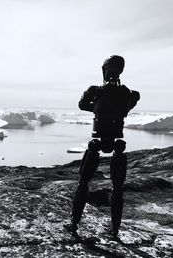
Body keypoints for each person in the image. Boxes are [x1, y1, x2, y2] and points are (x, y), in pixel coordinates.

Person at [66, 55, 140, 238]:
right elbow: (125, 109)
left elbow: (82, 104)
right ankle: (115, 231)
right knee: (118, 186)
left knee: (84, 182)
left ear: (105, 70)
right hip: (116, 139)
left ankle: (74, 224)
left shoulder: (96, 91)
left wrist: (98, 107)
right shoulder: (126, 93)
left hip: (97, 138)